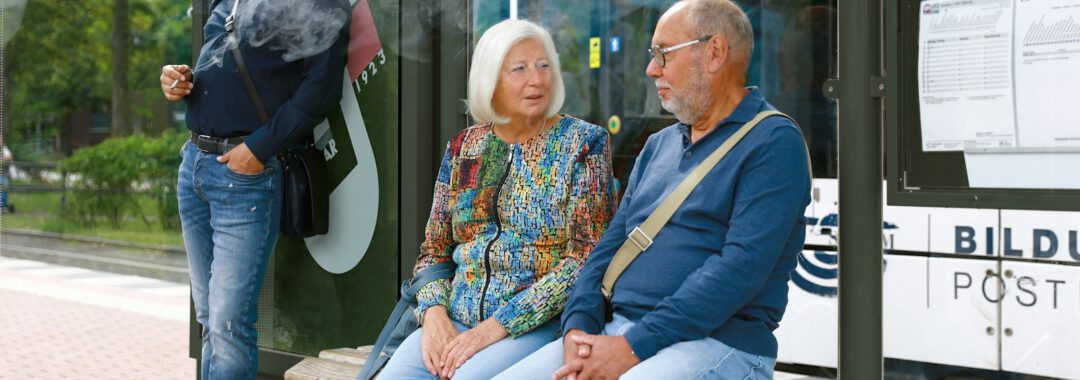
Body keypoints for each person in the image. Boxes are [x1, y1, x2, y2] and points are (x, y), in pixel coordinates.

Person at [497, 1, 811, 379]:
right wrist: (578, 328)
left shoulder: (773, 142)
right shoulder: (658, 145)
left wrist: (633, 347)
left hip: (714, 341)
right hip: (618, 331)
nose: (651, 69)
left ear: (714, 52)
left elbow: (738, 271)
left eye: (662, 53)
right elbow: (608, 249)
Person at [377, 18, 617, 380]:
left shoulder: (582, 144)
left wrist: (494, 328)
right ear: (489, 80)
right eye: (519, 69)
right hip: (455, 317)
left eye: (543, 66)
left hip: (534, 324)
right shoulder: (465, 148)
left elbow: (585, 260)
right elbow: (434, 251)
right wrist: (435, 316)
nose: (536, 79)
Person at [158, 0, 349, 378]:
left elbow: (322, 89)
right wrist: (179, 79)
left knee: (228, 323)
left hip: (245, 177)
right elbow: (230, 70)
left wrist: (259, 149)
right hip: (194, 163)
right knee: (210, 317)